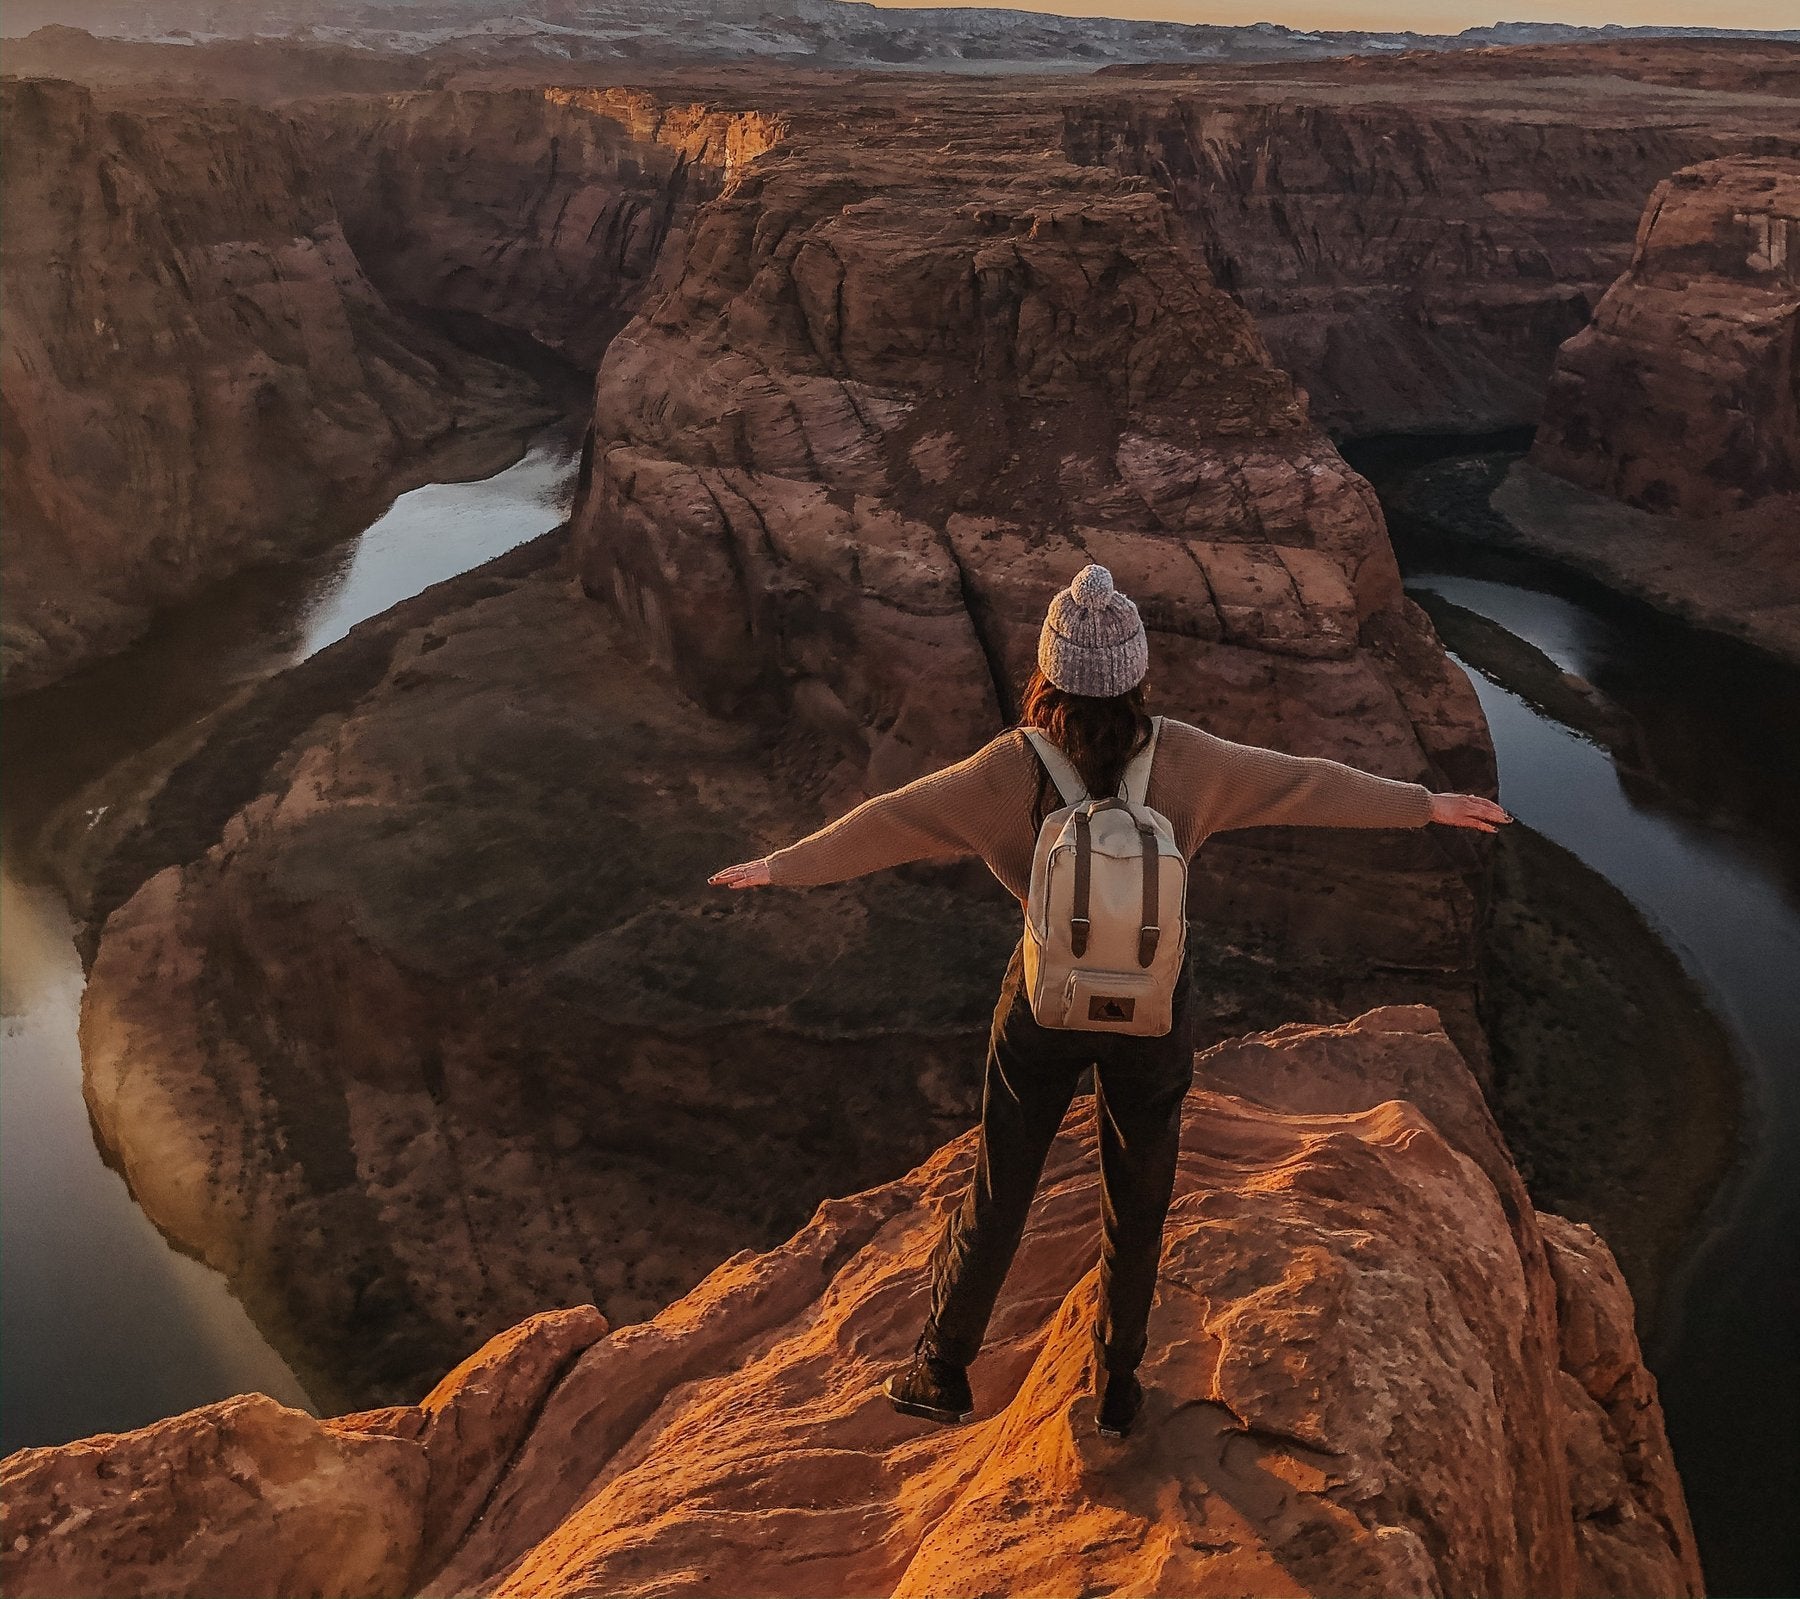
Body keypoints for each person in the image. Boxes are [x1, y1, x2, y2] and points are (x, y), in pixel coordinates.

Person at [710, 563, 1509, 1439]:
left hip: (1044, 1004)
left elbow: (888, 822)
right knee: (1138, 1197)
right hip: (1154, 1008)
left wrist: (780, 866)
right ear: (1135, 673)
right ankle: (1116, 1385)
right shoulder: (1192, 760)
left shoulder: (1007, 771)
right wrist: (1423, 804)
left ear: (1048, 674)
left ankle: (940, 1366)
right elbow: (1307, 782)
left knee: (1001, 1186)